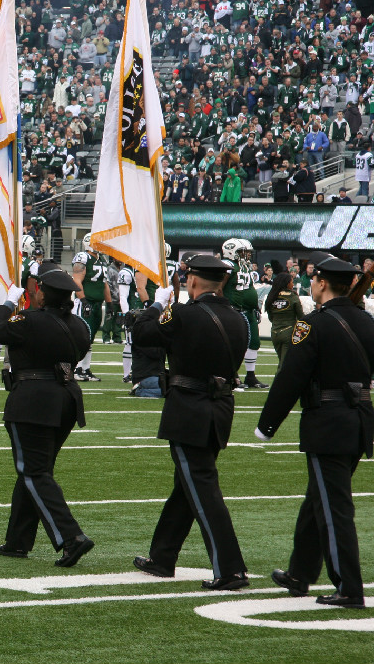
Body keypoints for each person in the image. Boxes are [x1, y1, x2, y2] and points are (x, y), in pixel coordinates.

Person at [256, 252, 374, 609]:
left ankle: (349, 587)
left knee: (333, 506)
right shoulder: (367, 322)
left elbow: (291, 376)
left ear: (322, 283)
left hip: (328, 423)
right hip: (359, 421)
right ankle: (300, 573)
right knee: (317, 500)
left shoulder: (312, 325)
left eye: (314, 279)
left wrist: (267, 425)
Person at [131, 254, 250, 591]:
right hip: (220, 408)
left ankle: (230, 568)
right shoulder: (238, 319)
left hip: (189, 409)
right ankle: (162, 556)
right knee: (187, 485)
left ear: (192, 281)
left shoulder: (184, 314)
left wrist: (157, 305)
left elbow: (141, 334)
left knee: (201, 489)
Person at [0, 264, 95, 566]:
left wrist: (8, 303)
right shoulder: (79, 326)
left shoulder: (29, 320)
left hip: (33, 400)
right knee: (35, 470)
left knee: (34, 472)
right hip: (67, 400)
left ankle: (71, 537)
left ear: (42, 294)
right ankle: (18, 541)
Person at [221, 238, 267, 388]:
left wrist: (255, 306)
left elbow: (249, 289)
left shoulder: (245, 266)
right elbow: (219, 287)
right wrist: (224, 305)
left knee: (254, 343)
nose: (247, 255)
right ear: (232, 251)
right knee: (234, 344)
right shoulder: (229, 265)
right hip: (235, 310)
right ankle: (232, 375)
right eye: (243, 252)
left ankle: (251, 376)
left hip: (249, 310)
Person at [72, 233, 110, 381]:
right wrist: (84, 301)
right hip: (85, 303)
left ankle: (85, 369)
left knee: (90, 339)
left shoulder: (102, 260)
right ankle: (77, 369)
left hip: (97, 303)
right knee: (82, 336)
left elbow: (104, 284)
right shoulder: (83, 257)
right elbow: (76, 281)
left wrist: (110, 304)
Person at [265, 271, 304, 373]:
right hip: (288, 332)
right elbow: (301, 317)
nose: (293, 284)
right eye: (292, 282)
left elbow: (270, 317)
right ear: (287, 283)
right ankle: (279, 387)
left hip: (274, 333)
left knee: (282, 361)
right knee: (285, 365)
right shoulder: (293, 296)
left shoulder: (272, 296)